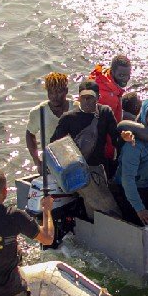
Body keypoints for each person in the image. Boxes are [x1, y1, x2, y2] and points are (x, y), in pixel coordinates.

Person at [51, 79, 122, 217]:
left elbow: (116, 139)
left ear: (98, 98)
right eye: (84, 98)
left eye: (91, 98)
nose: (87, 101)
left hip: (99, 169)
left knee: (94, 207)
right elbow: (54, 145)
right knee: (109, 210)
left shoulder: (105, 113)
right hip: (78, 170)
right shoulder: (68, 118)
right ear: (79, 98)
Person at [116, 98, 148, 225]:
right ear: (143, 116)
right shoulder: (133, 145)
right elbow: (127, 180)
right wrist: (140, 209)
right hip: (129, 191)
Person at [26, 73, 71, 172]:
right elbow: (30, 134)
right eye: (51, 92)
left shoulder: (76, 108)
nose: (54, 96)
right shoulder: (38, 112)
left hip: (73, 159)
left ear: (66, 91)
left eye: (59, 92)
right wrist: (37, 162)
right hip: (51, 161)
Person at [89, 55, 131, 160]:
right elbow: (105, 130)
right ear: (112, 72)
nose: (125, 79)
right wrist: (111, 154)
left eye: (128, 75)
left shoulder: (103, 78)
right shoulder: (108, 98)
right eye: (121, 75)